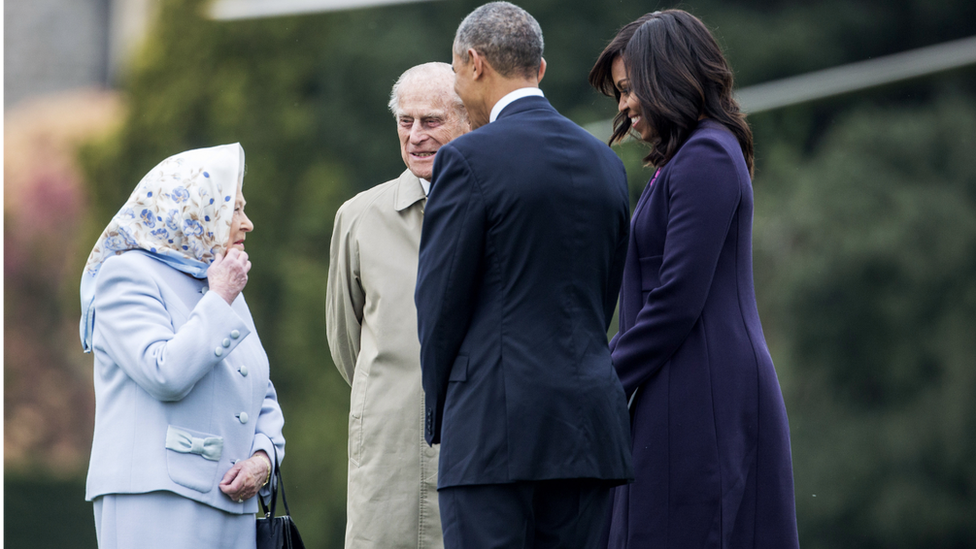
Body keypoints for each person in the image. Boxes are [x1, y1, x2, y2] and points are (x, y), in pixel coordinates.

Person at [414, 3, 634, 548]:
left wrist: (443, 411)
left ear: (473, 63)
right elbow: (604, 292)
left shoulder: (466, 160)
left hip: (491, 432)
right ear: (538, 68)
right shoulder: (605, 162)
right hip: (588, 433)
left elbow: (438, 306)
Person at [589, 10, 800, 548]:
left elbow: (676, 300)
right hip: (679, 380)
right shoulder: (685, 158)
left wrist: (598, 383)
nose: (624, 106)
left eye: (630, 88)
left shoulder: (706, 154)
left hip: (703, 391)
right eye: (618, 93)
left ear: (669, 74)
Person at [79, 143, 285, 548]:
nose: (248, 224)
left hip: (231, 506)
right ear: (196, 208)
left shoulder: (220, 286)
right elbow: (164, 373)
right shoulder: (125, 275)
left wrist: (263, 459)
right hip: (155, 499)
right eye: (235, 209)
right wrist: (220, 297)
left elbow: (261, 391)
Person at [326, 62, 469, 549]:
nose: (415, 136)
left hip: (474, 446)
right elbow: (347, 343)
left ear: (468, 118)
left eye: (431, 121)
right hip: (388, 453)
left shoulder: (502, 209)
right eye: (405, 122)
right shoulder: (359, 216)